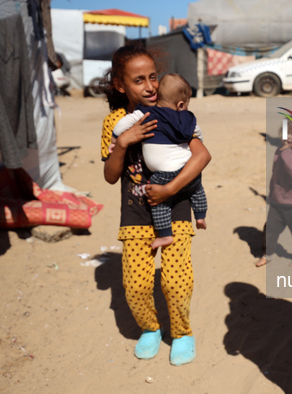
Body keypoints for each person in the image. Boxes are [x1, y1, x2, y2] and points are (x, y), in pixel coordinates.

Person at [101, 45, 211, 366]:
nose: (149, 86)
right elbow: (110, 176)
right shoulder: (115, 123)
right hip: (135, 213)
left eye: (152, 77)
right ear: (121, 86)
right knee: (135, 284)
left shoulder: (174, 114)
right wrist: (123, 141)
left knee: (176, 282)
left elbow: (201, 155)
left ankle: (181, 333)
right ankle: (150, 328)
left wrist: (170, 189)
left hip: (175, 206)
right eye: (139, 80)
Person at [111, 73, 207, 250]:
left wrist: (116, 140)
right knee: (197, 188)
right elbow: (199, 137)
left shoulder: (146, 112)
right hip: (187, 171)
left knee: (159, 200)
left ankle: (165, 234)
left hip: (163, 176)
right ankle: (200, 215)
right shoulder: (188, 118)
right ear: (180, 104)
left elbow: (121, 125)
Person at [255, 116, 292, 267]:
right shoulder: (280, 150)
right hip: (277, 202)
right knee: (270, 231)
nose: (287, 137)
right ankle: (267, 254)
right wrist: (272, 192)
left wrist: (286, 152)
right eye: (286, 132)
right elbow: (276, 173)